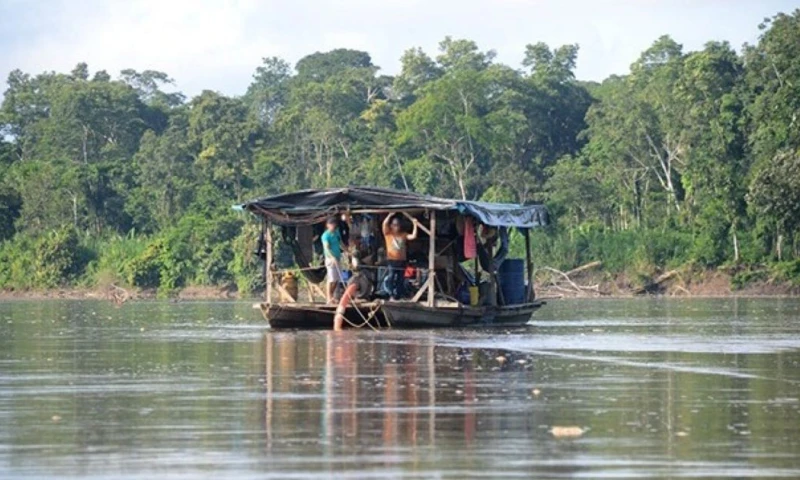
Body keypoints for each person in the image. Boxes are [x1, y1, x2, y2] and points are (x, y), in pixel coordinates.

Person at [382, 213, 418, 300]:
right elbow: (384, 224)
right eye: (394, 225)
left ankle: (398, 295)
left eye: (397, 225)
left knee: (400, 279)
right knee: (391, 277)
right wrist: (389, 215)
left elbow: (413, 236)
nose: (396, 227)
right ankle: (390, 294)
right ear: (391, 226)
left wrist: (415, 224)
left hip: (402, 260)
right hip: (392, 260)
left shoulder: (403, 234)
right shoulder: (388, 234)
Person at [321, 216, 344, 304]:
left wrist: (347, 250)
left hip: (338, 258)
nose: (333, 226)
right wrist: (332, 257)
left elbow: (340, 243)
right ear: (328, 225)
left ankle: (332, 296)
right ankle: (329, 298)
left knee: (336, 279)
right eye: (331, 224)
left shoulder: (336, 232)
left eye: (334, 224)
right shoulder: (325, 236)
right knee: (331, 279)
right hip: (330, 259)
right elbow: (326, 248)